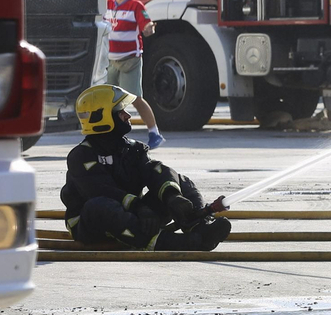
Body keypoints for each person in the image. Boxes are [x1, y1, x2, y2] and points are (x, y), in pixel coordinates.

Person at [61, 84, 231, 251]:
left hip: (138, 216)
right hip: (92, 225)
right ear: (102, 117)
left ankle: (200, 230)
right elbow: (102, 192)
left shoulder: (133, 150)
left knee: (179, 181)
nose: (127, 116)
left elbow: (154, 171)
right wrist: (139, 207)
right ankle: (167, 242)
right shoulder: (81, 156)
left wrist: (173, 197)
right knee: (99, 206)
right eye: (121, 111)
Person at [106, 0, 165, 148]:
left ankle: (155, 133)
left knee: (135, 98)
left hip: (129, 60)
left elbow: (146, 25)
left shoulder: (135, 6)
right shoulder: (108, 5)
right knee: (109, 99)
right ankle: (112, 134)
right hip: (111, 60)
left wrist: (148, 29)